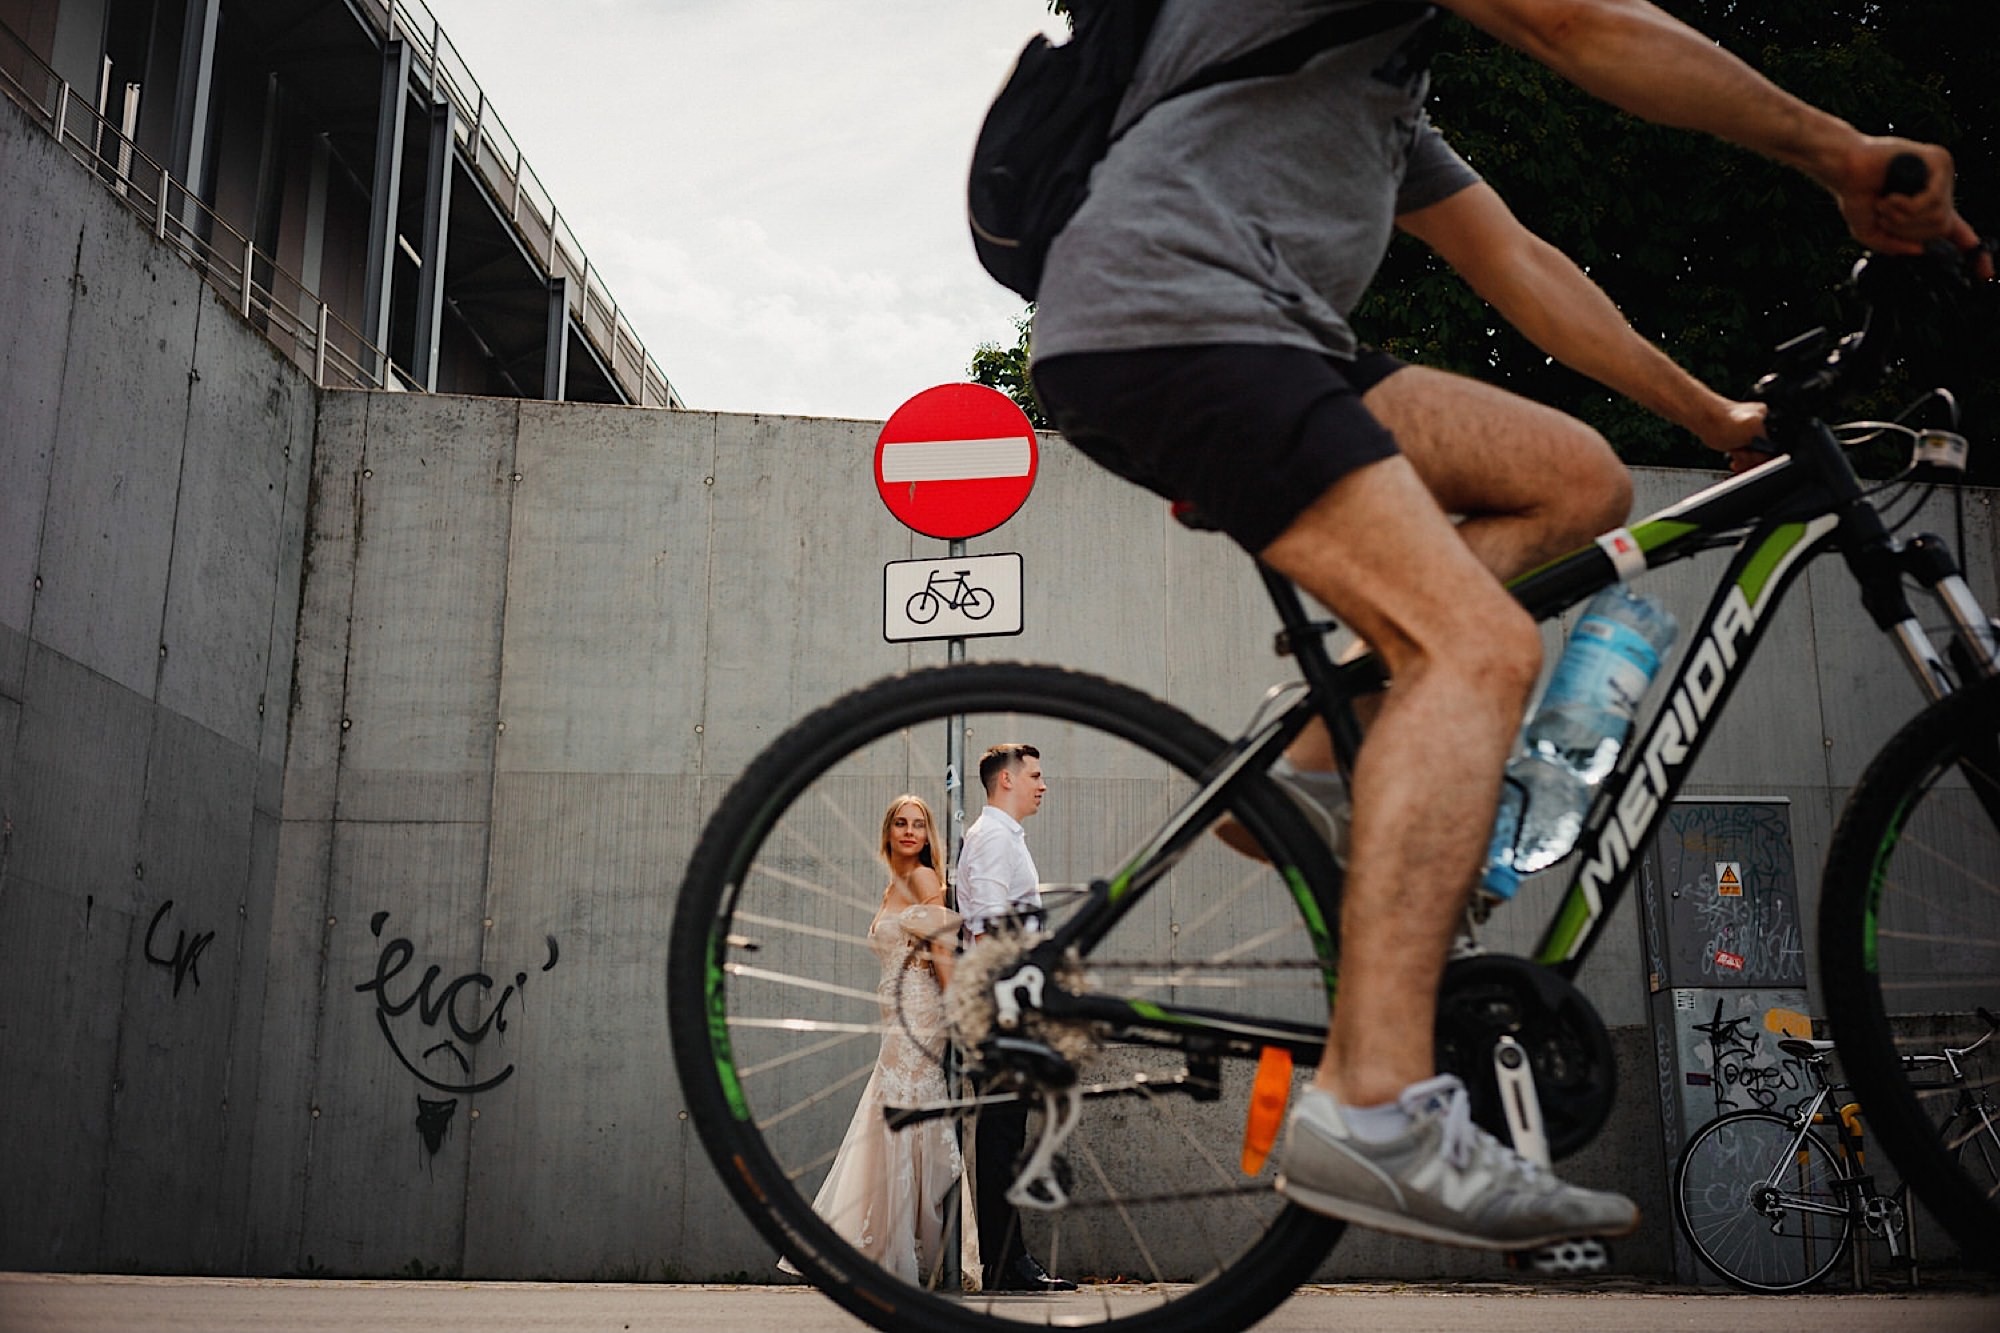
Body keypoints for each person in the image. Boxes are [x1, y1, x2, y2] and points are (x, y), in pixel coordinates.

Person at [1025, 0, 1985, 1253]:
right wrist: (1839, 153)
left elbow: (1517, 262)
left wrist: (1710, 416)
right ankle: (1371, 1108)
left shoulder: (1378, 82)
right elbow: (1576, 22)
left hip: (1257, 338)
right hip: (1181, 322)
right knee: (1476, 647)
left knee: (1573, 479)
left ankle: (1314, 776)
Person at [779, 795, 978, 1287]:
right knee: (889, 1110)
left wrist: (959, 1013)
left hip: (920, 1013)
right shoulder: (893, 884)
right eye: (900, 823)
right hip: (894, 1016)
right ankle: (884, 1240)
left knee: (901, 1108)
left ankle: (906, 1248)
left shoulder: (926, 879)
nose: (910, 831)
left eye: (919, 824)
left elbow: (943, 952)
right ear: (888, 832)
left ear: (928, 835)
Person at [956, 743, 1076, 1292]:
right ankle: (1006, 1263)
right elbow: (987, 928)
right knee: (1002, 1133)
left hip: (1007, 1001)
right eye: (1035, 775)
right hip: (999, 1005)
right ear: (1006, 779)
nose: (1042, 785)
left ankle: (1008, 1260)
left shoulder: (1004, 837)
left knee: (1007, 1130)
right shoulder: (992, 838)